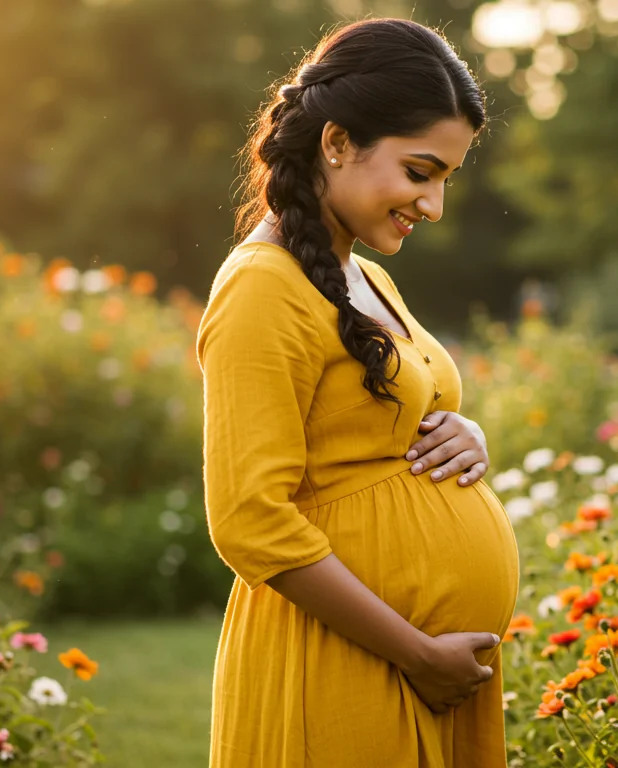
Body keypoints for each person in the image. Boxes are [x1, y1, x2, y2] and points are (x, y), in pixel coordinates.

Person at [197, 17, 521, 768]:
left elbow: (382, 425)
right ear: (338, 142)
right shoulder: (261, 287)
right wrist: (415, 652)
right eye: (419, 172)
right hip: (346, 661)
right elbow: (248, 519)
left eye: (445, 179)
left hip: (417, 667)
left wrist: (466, 434)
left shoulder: (364, 274)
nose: (433, 206)